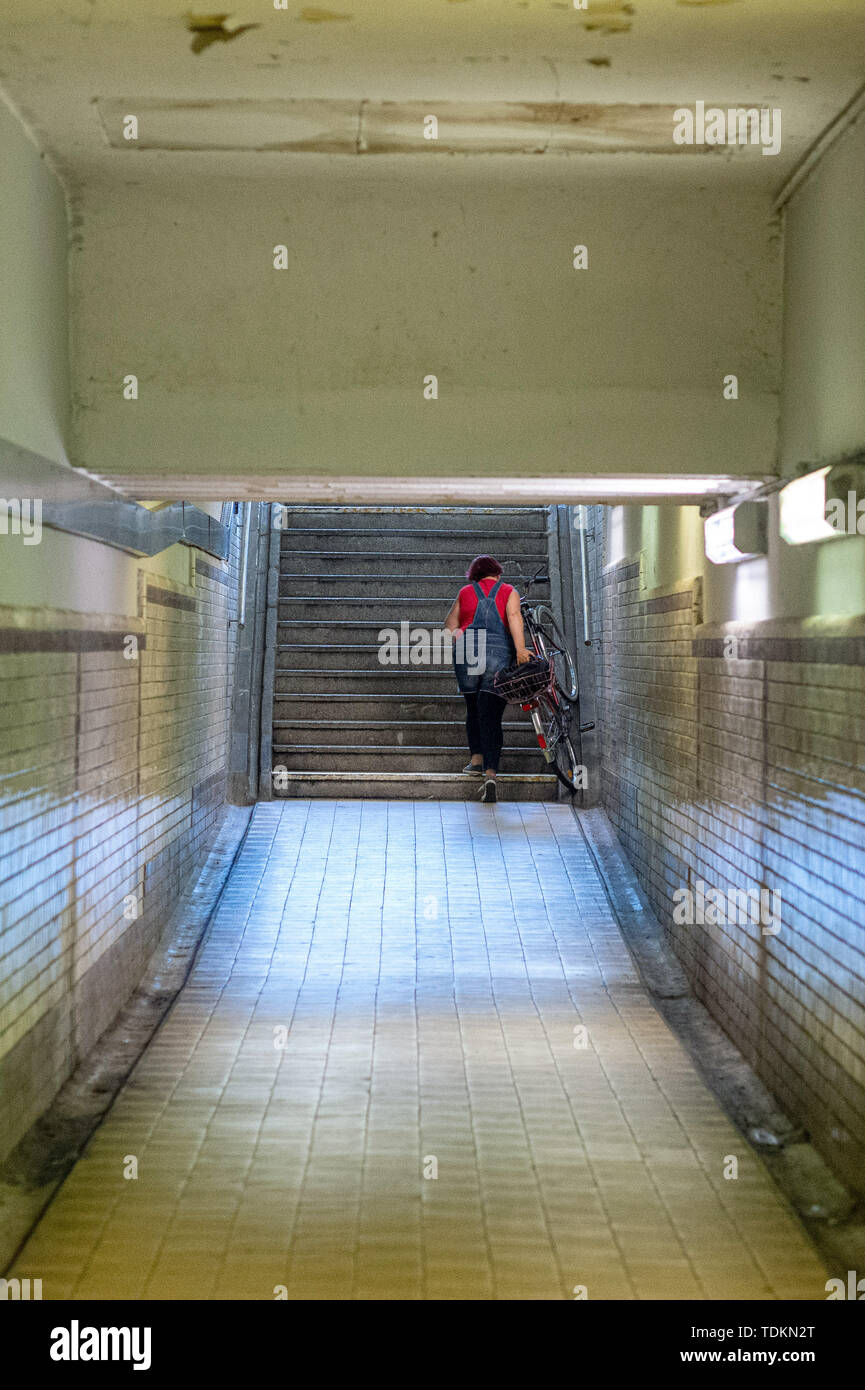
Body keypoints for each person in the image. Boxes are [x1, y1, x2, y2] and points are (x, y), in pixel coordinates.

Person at [444, 555, 531, 804]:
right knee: (490, 713)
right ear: (498, 573)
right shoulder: (507, 590)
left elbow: (449, 624)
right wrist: (521, 649)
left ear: (475, 575)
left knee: (473, 709)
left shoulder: (465, 592)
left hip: (467, 653)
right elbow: (514, 617)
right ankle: (491, 774)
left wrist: (463, 637)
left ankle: (476, 760)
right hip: (498, 652)